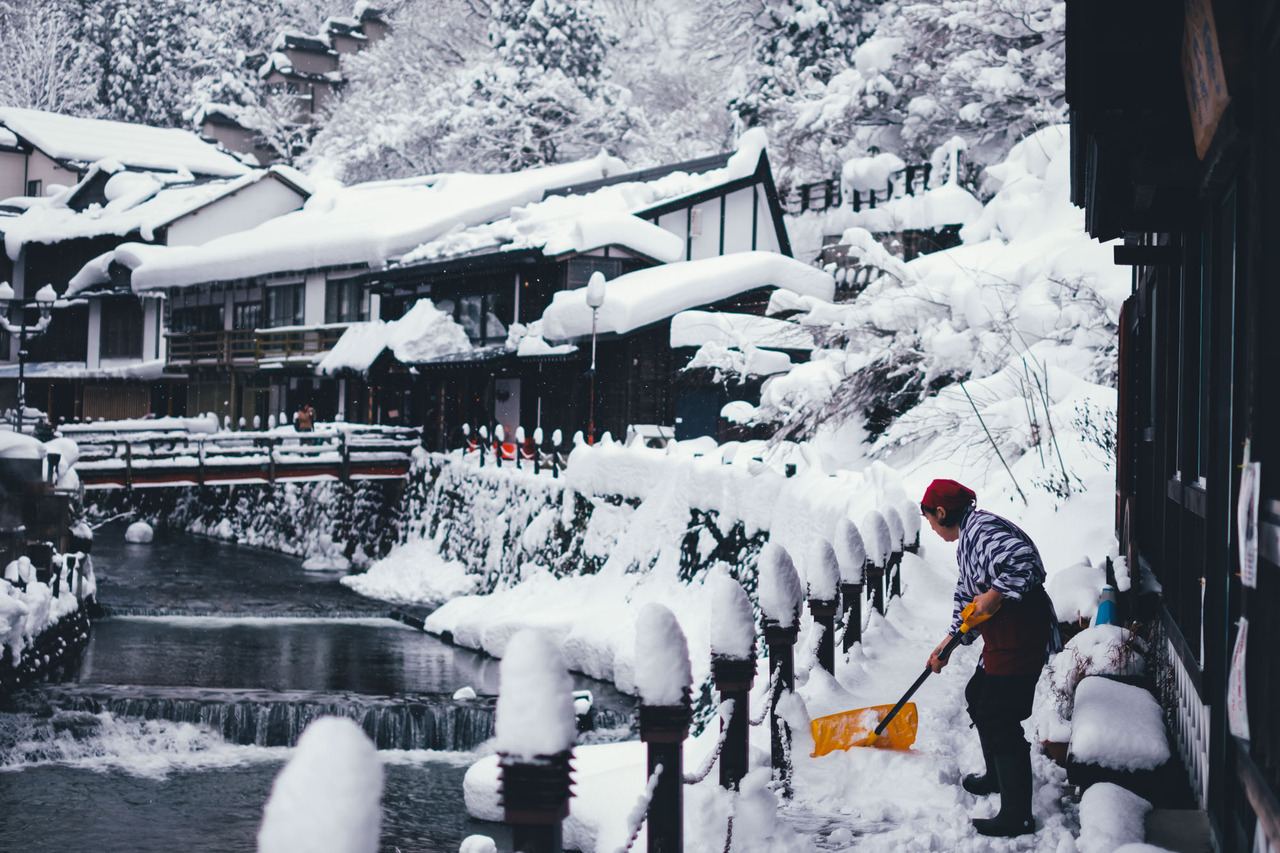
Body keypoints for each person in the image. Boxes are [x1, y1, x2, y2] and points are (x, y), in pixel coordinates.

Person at [922, 478, 1061, 838]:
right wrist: (948, 644)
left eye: (930, 521)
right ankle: (997, 777)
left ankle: (1018, 815)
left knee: (999, 715)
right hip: (1003, 632)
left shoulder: (981, 530)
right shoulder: (969, 538)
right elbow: (968, 598)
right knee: (977, 696)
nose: (932, 529)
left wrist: (997, 592)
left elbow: (1024, 561)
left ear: (941, 512)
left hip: (1020, 630)